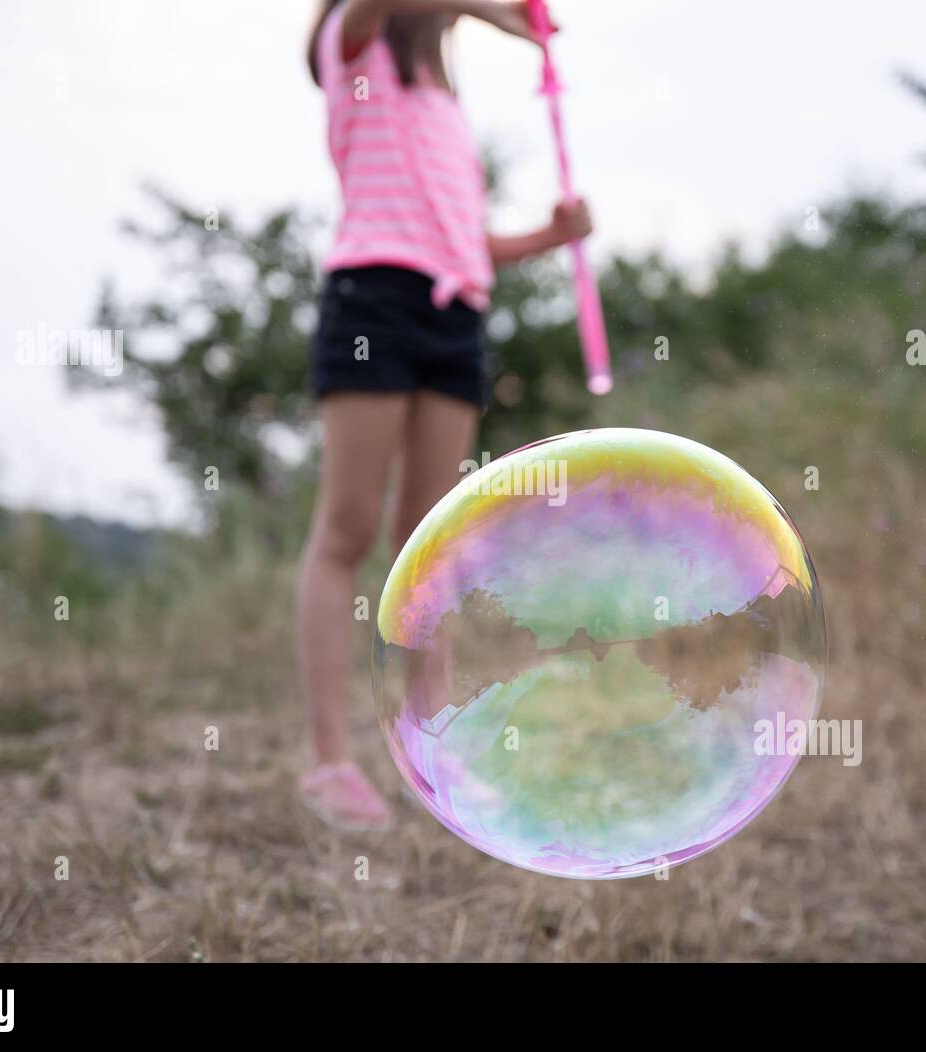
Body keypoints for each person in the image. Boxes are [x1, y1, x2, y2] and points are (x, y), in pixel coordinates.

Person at [296, 0, 593, 830]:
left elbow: (464, 235)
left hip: (453, 313)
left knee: (429, 543)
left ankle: (436, 760)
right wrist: (489, 8)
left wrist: (550, 235)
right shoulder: (350, 49)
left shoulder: (443, 104)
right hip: (375, 299)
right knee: (348, 529)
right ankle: (329, 764)